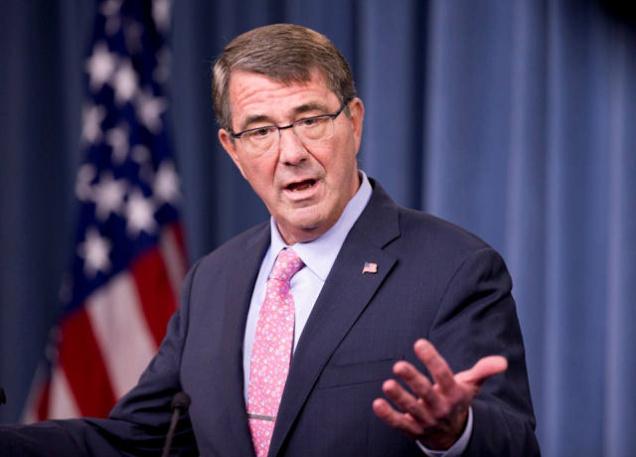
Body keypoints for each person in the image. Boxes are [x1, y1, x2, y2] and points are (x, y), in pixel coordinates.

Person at [1, 23, 539, 456]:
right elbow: (137, 441)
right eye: (260, 131)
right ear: (232, 150)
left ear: (354, 122)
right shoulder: (213, 280)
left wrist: (454, 433)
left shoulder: (455, 269)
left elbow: (514, 441)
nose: (291, 153)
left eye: (310, 119)